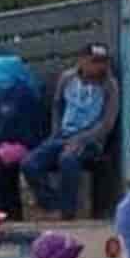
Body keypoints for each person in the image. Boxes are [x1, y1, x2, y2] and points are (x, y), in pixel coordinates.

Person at [23, 43, 119, 221]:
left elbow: (107, 123)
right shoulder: (67, 78)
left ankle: (67, 213)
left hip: (90, 140)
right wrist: (56, 131)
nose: (100, 66)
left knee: (68, 160)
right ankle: (52, 206)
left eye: (103, 62)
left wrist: (82, 139)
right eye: (95, 62)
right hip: (63, 136)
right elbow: (57, 106)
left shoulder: (109, 85)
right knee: (30, 163)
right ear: (82, 61)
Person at [0, 54, 45, 218]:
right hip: (4, 146)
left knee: (1, 167)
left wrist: (17, 146)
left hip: (27, 145)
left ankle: (8, 215)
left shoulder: (27, 96)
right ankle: (6, 214)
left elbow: (32, 129)